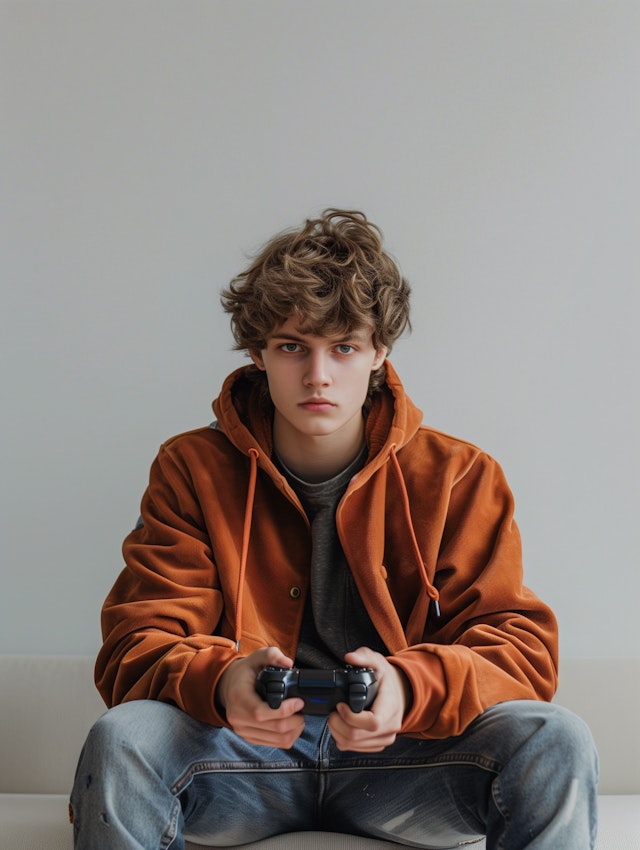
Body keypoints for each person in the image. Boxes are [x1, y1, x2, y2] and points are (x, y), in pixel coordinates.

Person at [70, 209, 598, 849]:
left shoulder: (458, 475)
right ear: (259, 351)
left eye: (343, 347)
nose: (317, 375)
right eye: (293, 346)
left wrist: (409, 687)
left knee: (557, 737)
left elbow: (522, 651)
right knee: (121, 738)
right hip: (240, 757)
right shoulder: (192, 468)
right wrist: (224, 682)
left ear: (379, 352)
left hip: (408, 761)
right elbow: (136, 641)